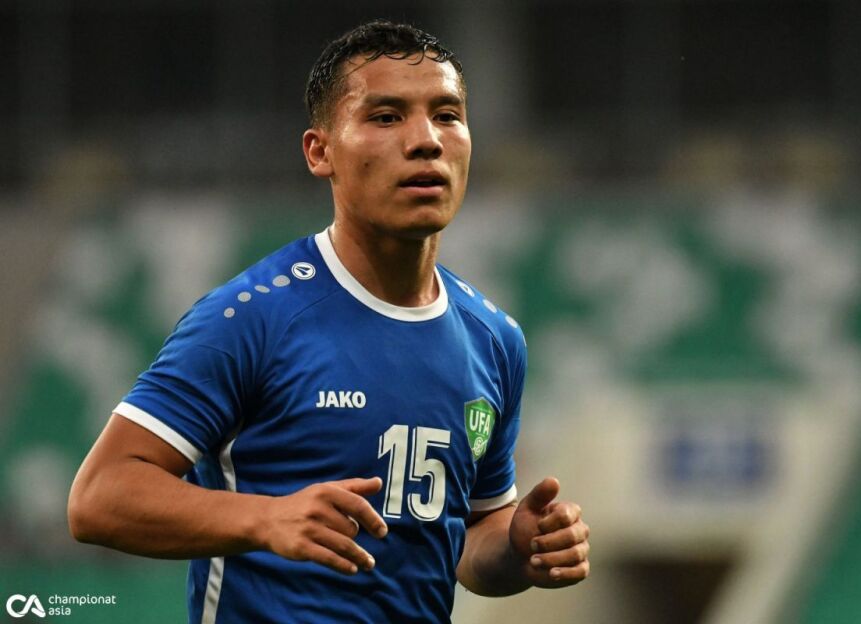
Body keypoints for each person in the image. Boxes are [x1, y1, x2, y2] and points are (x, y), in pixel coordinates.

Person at [68, 19, 590, 624]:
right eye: (386, 117)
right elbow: (99, 496)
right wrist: (266, 518)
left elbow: (470, 539)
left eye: (447, 115)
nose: (426, 140)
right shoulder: (253, 317)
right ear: (320, 152)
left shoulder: (494, 339)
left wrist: (520, 549)